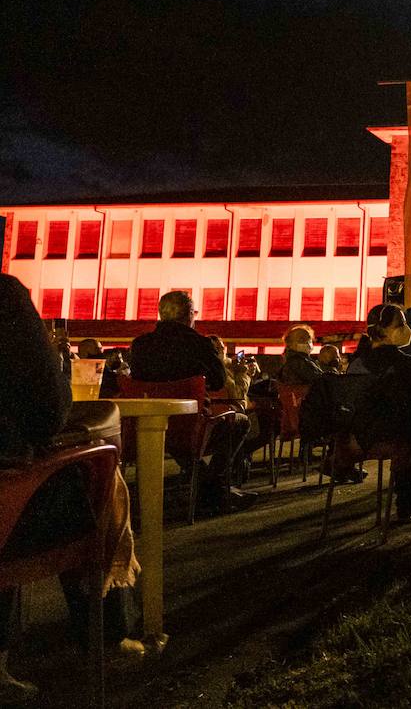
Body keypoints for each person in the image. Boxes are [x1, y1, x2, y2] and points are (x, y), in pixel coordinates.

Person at [0, 275, 142, 701]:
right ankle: (108, 632)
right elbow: (48, 409)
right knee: (86, 477)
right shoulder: (4, 300)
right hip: (8, 512)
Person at [128, 291, 253, 513]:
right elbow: (218, 382)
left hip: (149, 425)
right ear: (189, 316)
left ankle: (209, 487)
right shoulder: (200, 344)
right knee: (241, 422)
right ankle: (214, 487)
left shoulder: (140, 345)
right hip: (191, 425)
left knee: (177, 436)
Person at [346, 304, 411, 522]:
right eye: (401, 324)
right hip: (401, 438)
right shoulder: (404, 363)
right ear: (382, 330)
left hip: (363, 438)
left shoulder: (356, 364)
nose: (407, 328)